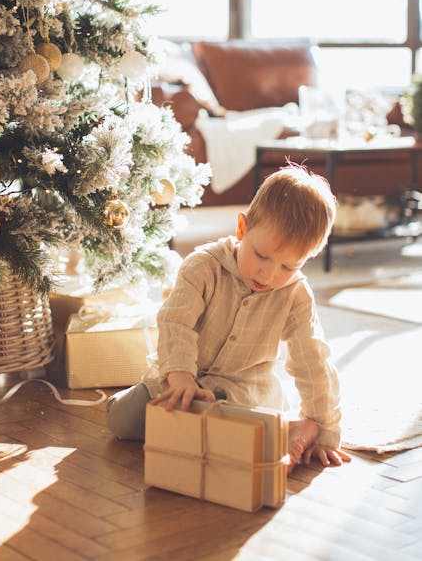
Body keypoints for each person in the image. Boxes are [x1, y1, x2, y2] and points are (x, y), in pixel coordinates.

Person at [107, 163, 351, 473]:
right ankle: (225, 428)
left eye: (288, 267)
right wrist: (180, 375)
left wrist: (325, 426)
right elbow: (175, 323)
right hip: (183, 381)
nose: (269, 273)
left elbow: (312, 359)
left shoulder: (295, 294)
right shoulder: (202, 267)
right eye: (261, 255)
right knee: (122, 420)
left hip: (243, 392)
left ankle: (299, 428)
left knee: (232, 428)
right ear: (242, 229)